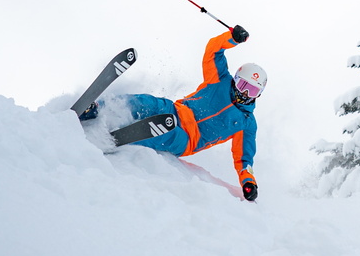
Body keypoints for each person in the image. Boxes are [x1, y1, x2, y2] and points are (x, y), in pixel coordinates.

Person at [81, 24, 266, 201]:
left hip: (187, 138)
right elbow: (213, 50)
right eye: (243, 85)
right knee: (145, 102)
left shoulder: (246, 122)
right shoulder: (220, 80)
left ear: (259, 94)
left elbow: (244, 158)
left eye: (252, 91)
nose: (244, 93)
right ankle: (97, 108)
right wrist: (232, 38)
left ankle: (119, 135)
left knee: (163, 130)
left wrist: (248, 181)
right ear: (235, 79)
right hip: (176, 109)